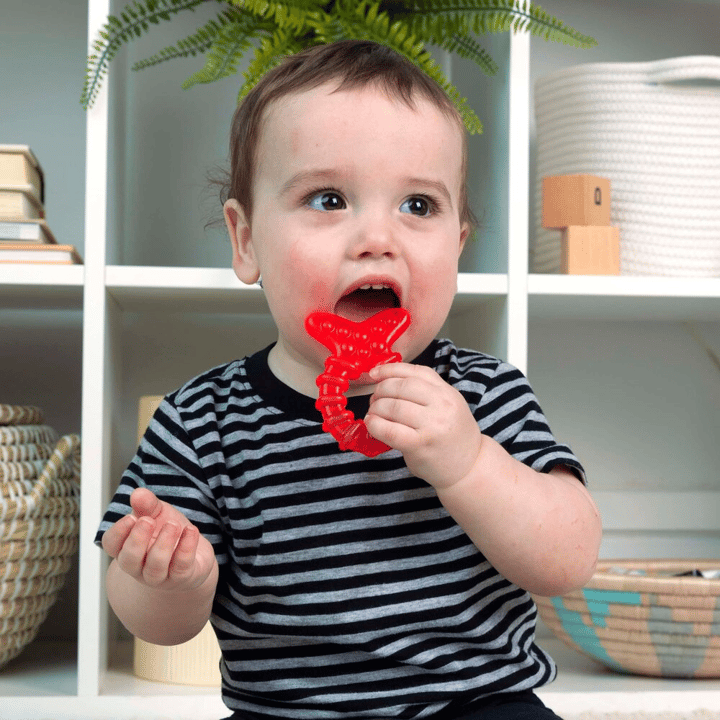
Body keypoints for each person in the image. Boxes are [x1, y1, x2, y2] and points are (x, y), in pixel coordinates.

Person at [96, 40, 602, 720]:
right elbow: (157, 624)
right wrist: (166, 575)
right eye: (328, 198)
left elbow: (568, 559)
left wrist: (470, 464)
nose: (377, 238)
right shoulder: (202, 421)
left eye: (418, 206)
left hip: (475, 705)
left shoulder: (484, 397)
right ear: (246, 242)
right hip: (286, 713)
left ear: (457, 246)